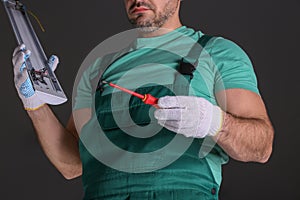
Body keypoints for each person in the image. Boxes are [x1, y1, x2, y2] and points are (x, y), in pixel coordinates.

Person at [11, 0, 274, 199]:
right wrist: (35, 103)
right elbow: (71, 163)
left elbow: (261, 147)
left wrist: (216, 122)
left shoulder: (217, 53)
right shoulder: (99, 68)